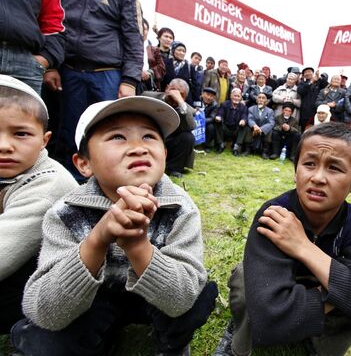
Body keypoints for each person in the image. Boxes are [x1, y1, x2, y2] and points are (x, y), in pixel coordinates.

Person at [11, 96, 218, 356]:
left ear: (164, 155)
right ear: (83, 164)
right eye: (118, 137)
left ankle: (171, 344)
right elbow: (44, 310)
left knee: (200, 293)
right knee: (43, 341)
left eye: (149, 137)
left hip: (156, 299)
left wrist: (138, 246)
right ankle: (100, 338)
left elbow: (181, 299)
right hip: (94, 299)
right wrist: (97, 240)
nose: (138, 148)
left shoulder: (181, 208)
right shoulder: (65, 212)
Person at [213, 122, 351, 356]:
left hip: (297, 295)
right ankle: (238, 341)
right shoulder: (276, 213)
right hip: (282, 284)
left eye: (334, 168)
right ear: (296, 172)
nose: (318, 177)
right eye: (309, 164)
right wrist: (336, 292)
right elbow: (269, 319)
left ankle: (319, 347)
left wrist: (303, 247)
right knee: (244, 279)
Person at [0, 75, 77, 334]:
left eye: (20, 134)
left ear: (45, 140)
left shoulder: (49, 185)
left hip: (37, 290)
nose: (4, 146)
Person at [45, 0, 143, 182]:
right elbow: (53, 27)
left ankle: (108, 180)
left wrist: (129, 80)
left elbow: (134, 38)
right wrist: (51, 66)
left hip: (108, 73)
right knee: (67, 131)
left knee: (108, 129)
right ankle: (68, 182)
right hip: (69, 70)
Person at [0, 0, 65, 94]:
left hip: (25, 63)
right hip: (26, 64)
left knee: (25, 111)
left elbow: (53, 24)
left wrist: (45, 58)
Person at [142, 78, 197, 177]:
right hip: (147, 137)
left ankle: (174, 169)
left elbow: (191, 126)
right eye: (173, 90)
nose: (174, 95)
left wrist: (181, 103)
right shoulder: (148, 97)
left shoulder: (187, 109)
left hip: (169, 141)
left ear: (185, 97)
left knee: (188, 137)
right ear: (167, 88)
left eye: (181, 94)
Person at [215, 88, 248, 156]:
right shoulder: (224, 104)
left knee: (245, 126)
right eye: (234, 96)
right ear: (231, 96)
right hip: (225, 129)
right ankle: (220, 144)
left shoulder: (243, 107)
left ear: (241, 98)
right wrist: (219, 117)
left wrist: (243, 120)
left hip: (236, 129)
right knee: (217, 122)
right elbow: (220, 113)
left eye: (238, 96)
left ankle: (236, 147)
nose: (236, 98)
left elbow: (244, 116)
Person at [140, 19, 166, 93]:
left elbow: (162, 68)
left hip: (149, 86)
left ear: (148, 31)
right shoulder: (129, 46)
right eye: (139, 28)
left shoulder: (154, 50)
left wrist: (150, 72)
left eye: (144, 29)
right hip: (131, 82)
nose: (142, 31)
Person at [246, 93, 275, 159]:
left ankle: (264, 152)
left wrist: (260, 129)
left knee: (270, 130)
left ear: (266, 101)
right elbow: (250, 119)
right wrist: (255, 126)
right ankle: (247, 149)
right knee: (247, 127)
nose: (261, 100)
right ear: (256, 100)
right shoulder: (251, 109)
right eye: (259, 97)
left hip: (263, 132)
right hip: (253, 130)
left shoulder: (270, 111)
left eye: (263, 98)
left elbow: (271, 123)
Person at [200, 87, 219, 152]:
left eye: (211, 96)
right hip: (194, 121)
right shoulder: (197, 101)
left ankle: (206, 145)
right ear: (202, 94)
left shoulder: (215, 105)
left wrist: (201, 122)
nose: (209, 97)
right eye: (207, 94)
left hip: (206, 122)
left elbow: (212, 117)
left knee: (211, 127)